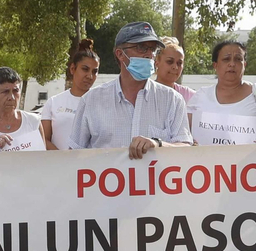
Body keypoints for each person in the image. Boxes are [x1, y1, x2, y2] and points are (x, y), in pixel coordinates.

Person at [70, 21, 192, 158]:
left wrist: (157, 144)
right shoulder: (91, 100)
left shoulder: (172, 100)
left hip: (154, 179)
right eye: (141, 47)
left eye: (153, 49)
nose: (149, 54)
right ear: (120, 54)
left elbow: (185, 148)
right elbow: (74, 154)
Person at [187, 40, 256, 143]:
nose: (232, 64)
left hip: (251, 159)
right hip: (205, 158)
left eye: (238, 59)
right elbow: (183, 133)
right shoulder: (200, 96)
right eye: (226, 59)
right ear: (215, 65)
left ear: (244, 64)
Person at [42, 39, 100, 150]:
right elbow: (44, 139)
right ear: (73, 69)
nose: (90, 76)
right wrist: (65, 161)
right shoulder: (54, 102)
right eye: (85, 69)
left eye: (94, 71)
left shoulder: (102, 103)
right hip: (59, 165)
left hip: (90, 165)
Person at [155, 37, 190, 101]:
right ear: (157, 62)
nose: (175, 67)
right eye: (170, 61)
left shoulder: (190, 96)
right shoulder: (143, 92)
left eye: (179, 63)